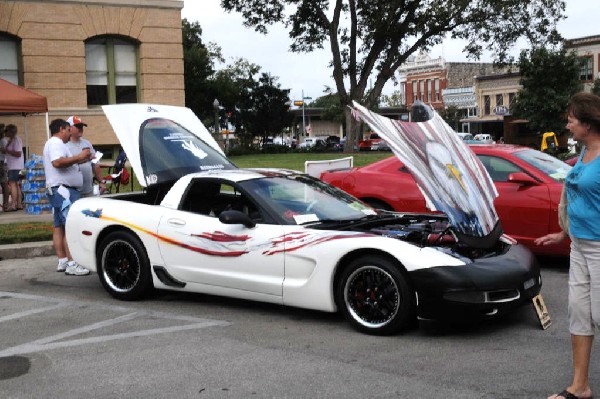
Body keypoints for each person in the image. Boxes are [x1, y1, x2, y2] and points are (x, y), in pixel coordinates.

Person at [535, 92, 600, 399]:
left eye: (572, 119)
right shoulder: (582, 156)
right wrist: (563, 233)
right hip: (579, 247)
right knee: (579, 314)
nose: (569, 124)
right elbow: (575, 197)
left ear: (588, 123)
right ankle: (580, 386)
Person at [43, 118, 92, 276]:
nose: (70, 132)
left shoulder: (54, 143)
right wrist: (79, 157)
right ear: (62, 129)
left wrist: (83, 158)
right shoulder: (56, 143)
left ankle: (63, 260)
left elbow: (65, 163)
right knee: (70, 226)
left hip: (58, 189)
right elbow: (57, 162)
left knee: (59, 226)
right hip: (63, 190)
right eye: (68, 130)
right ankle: (72, 263)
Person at [65, 116, 106, 197]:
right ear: (70, 128)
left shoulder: (87, 143)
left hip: (88, 190)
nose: (81, 129)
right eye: (78, 126)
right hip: (72, 191)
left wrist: (102, 181)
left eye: (82, 126)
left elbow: (95, 163)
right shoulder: (64, 145)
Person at [4, 124, 24, 211]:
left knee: (13, 185)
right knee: (16, 185)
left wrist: (7, 150)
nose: (5, 133)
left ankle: (13, 204)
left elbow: (18, 153)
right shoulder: (11, 140)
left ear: (11, 131)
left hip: (15, 166)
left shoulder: (16, 139)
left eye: (6, 131)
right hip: (13, 166)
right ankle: (19, 204)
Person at [0, 125, 9, 211]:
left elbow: (6, 151)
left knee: (4, 184)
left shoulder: (3, 141)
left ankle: (5, 204)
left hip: (1, 163)